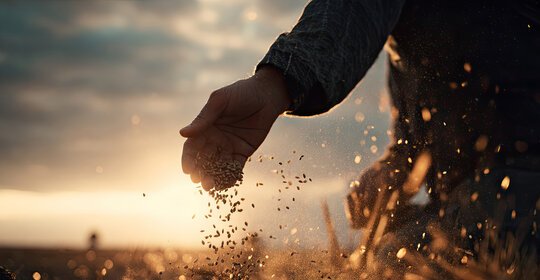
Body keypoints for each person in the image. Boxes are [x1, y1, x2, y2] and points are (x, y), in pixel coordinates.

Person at [181, 0, 539, 264]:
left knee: (395, 258)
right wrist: (393, 169)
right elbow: (417, 143)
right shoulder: (421, 33)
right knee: (389, 246)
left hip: (515, 194)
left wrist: (276, 85)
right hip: (470, 198)